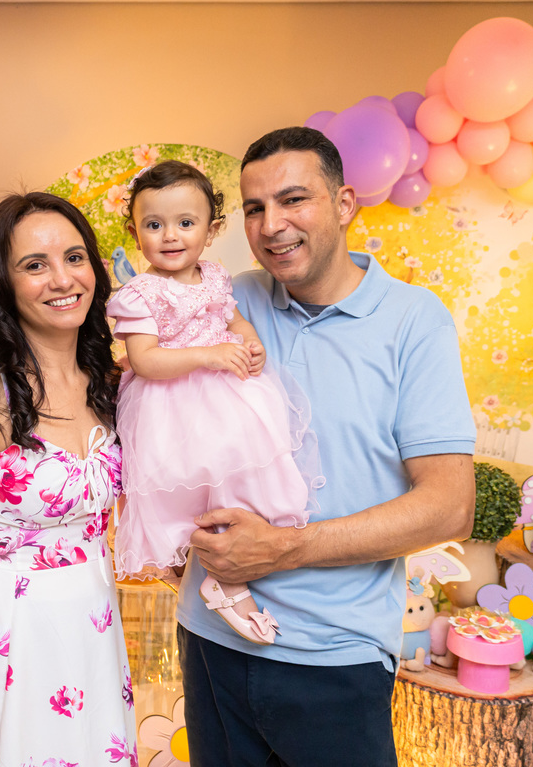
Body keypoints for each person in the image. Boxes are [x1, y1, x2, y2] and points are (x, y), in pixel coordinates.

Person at [176, 127, 477, 766]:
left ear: (344, 205)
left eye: (293, 200)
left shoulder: (414, 321)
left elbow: (450, 507)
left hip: (335, 656)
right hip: (212, 640)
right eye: (255, 208)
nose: (271, 226)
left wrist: (283, 548)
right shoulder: (230, 300)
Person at [0, 192, 137, 767]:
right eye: (35, 265)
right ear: (3, 284)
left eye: (74, 257)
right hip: (2, 639)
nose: (62, 279)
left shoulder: (107, 379)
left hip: (90, 635)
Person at [108, 160, 318, 646]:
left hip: (224, 395)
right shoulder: (140, 293)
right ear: (135, 232)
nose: (170, 235)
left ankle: (230, 573)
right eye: (154, 225)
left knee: (242, 477)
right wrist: (208, 355)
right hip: (170, 404)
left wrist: (249, 343)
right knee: (189, 496)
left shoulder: (217, 278)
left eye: (186, 222)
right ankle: (216, 578)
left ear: (212, 229)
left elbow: (234, 321)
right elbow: (144, 359)